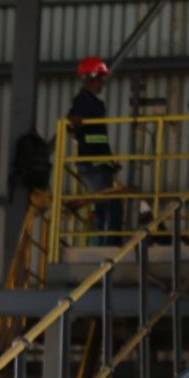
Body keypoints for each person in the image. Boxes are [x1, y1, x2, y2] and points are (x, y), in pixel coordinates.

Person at [66, 56, 122, 244]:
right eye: (99, 78)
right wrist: (72, 124)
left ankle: (106, 243)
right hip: (92, 163)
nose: (102, 83)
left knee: (105, 205)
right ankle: (109, 246)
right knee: (110, 205)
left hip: (99, 162)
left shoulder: (94, 103)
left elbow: (99, 137)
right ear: (90, 78)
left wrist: (110, 160)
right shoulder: (83, 100)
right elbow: (71, 123)